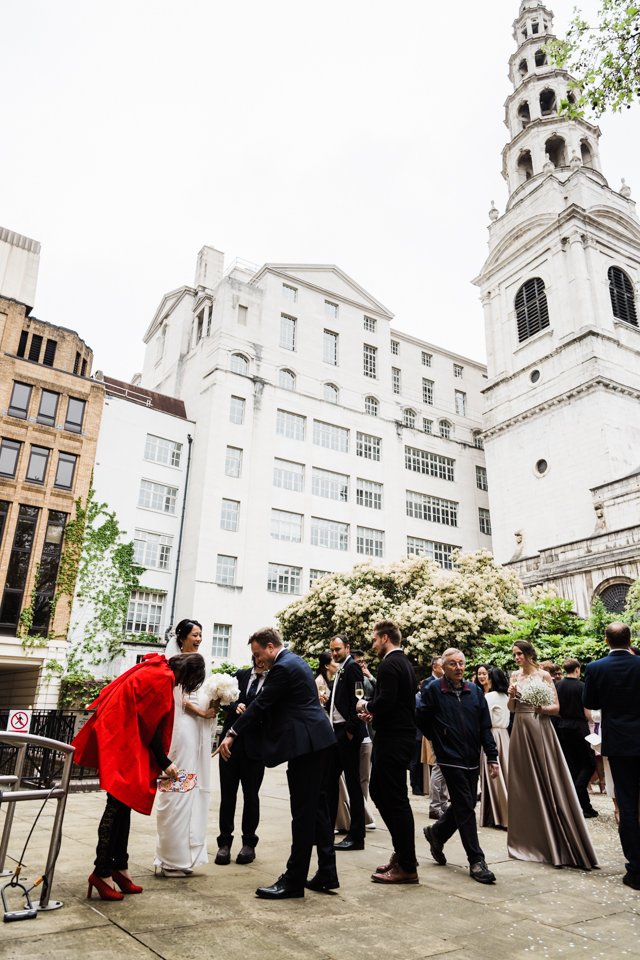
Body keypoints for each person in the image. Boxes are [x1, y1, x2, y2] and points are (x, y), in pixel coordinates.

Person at [72, 652, 206, 900]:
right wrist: (165, 762)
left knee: (124, 804)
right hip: (122, 735)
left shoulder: (159, 671)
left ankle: (118, 867)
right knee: (116, 805)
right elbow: (152, 726)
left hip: (123, 731)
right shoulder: (162, 677)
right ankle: (101, 872)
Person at [218, 628, 337, 899]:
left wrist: (232, 734)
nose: (258, 660)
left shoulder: (283, 667)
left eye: (259, 654)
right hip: (318, 741)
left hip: (307, 745)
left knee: (304, 813)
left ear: (271, 647)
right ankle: (327, 873)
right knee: (318, 810)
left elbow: (260, 704)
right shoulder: (295, 661)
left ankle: (294, 880)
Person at [507, 640, 598, 870]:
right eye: (514, 654)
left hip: (540, 728)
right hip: (520, 727)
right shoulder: (514, 676)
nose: (516, 658)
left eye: (519, 654)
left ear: (529, 654)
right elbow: (511, 708)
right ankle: (529, 836)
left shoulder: (545, 676)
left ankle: (554, 828)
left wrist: (540, 708)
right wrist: (511, 696)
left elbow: (556, 708)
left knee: (547, 777)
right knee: (523, 782)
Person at [417, 648, 498, 884]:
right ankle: (476, 860)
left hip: (472, 757)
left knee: (467, 802)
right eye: (453, 664)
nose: (459, 668)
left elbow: (485, 726)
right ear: (443, 666)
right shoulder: (433, 689)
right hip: (449, 757)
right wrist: (438, 740)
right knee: (465, 807)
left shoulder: (474, 691)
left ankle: (437, 833)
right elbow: (421, 718)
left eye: (462, 663)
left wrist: (492, 756)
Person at [154, 619, 218, 877]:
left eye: (201, 634)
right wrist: (202, 712)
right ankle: (171, 857)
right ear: (181, 637)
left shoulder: (201, 661)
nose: (199, 639)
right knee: (179, 785)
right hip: (182, 729)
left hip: (197, 730)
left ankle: (186, 853)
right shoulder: (175, 663)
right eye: (194, 634)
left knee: (192, 787)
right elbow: (179, 698)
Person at [357, 620, 418, 884]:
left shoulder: (390, 664)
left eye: (374, 639)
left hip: (394, 740)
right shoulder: (403, 662)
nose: (373, 644)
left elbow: (387, 700)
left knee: (391, 798)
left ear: (384, 638)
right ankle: (404, 855)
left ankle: (406, 864)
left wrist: (366, 704)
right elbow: (396, 704)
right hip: (396, 735)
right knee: (385, 795)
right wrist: (376, 715)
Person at [583, 622, 640, 889]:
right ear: (630, 640)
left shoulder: (595, 668)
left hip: (619, 743)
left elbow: (591, 703)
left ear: (606, 640)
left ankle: (636, 869)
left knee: (627, 805)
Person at [215, 656, 267, 866]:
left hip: (255, 746)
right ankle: (224, 843)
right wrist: (235, 706)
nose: (261, 661)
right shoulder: (240, 675)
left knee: (251, 795)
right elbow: (222, 701)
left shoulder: (274, 681)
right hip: (230, 745)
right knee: (228, 794)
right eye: (258, 657)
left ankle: (249, 844)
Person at [328, 634, 367, 852]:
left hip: (347, 734)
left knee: (353, 784)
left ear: (347, 648)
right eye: (332, 650)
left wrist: (351, 731)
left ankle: (357, 835)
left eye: (338, 649)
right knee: (330, 781)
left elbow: (357, 700)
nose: (335, 653)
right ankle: (327, 829)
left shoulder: (352, 667)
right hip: (337, 732)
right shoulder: (341, 667)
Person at [556, 658, 598, 819]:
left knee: (572, 764)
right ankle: (580, 793)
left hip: (563, 726)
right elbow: (588, 714)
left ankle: (578, 804)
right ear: (577, 669)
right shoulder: (582, 687)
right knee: (589, 762)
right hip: (580, 727)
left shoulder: (557, 686)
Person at [479, 667, 510, 830]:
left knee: (494, 778)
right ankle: (498, 814)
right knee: (505, 776)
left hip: (492, 735)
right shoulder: (507, 696)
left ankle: (502, 816)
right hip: (505, 736)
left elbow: (484, 719)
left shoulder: (489, 697)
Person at [423, 656, 450, 820]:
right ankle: (434, 806)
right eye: (443, 666)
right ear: (435, 667)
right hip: (436, 732)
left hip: (447, 732)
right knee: (439, 767)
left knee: (445, 767)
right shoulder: (428, 684)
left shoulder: (446, 683)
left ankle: (443, 802)